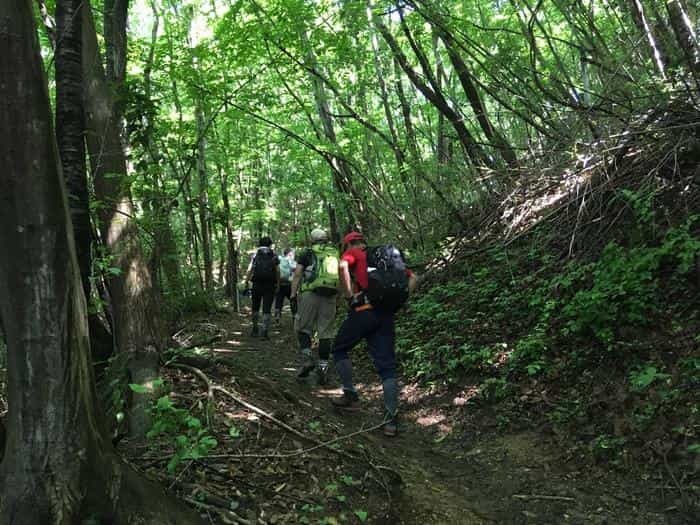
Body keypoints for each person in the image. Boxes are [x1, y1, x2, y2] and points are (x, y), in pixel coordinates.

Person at [331, 231, 417, 437]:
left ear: (348, 244)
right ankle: (391, 420)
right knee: (387, 368)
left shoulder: (355, 253)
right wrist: (402, 300)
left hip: (363, 312)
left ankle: (350, 396)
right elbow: (413, 277)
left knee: (339, 348)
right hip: (386, 316)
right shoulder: (385, 258)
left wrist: (350, 296)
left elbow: (342, 266)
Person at [290, 228, 339, 385]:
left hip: (309, 293)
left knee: (302, 328)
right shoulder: (335, 252)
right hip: (330, 294)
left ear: (311, 240)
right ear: (326, 239)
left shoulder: (307, 253)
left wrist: (293, 294)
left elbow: (298, 274)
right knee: (326, 331)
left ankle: (307, 360)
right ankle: (323, 368)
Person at [244, 236, 279, 340]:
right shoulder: (274, 255)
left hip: (257, 284)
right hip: (270, 284)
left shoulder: (255, 255)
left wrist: (246, 281)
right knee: (267, 308)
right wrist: (278, 283)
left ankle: (255, 329)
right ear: (270, 244)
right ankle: (264, 332)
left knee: (255, 306)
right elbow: (277, 271)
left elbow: (250, 269)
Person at [274, 248, 297, 322]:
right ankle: (294, 315)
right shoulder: (291, 260)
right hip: (289, 284)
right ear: (290, 254)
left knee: (279, 301)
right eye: (293, 254)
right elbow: (296, 269)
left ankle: (277, 315)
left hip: (280, 284)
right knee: (293, 300)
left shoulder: (280, 259)